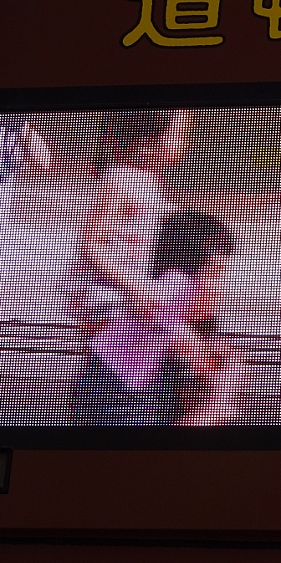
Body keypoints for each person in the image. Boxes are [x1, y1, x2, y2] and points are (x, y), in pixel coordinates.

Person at [70, 109, 193, 424]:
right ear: (150, 141)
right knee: (118, 379)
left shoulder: (151, 181)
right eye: (177, 133)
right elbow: (91, 245)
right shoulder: (121, 179)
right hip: (114, 300)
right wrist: (132, 285)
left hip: (138, 304)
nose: (183, 141)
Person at [75, 209, 241, 426]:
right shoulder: (175, 284)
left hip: (130, 385)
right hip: (112, 386)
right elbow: (152, 304)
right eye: (215, 271)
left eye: (222, 273)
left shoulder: (190, 301)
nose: (220, 286)